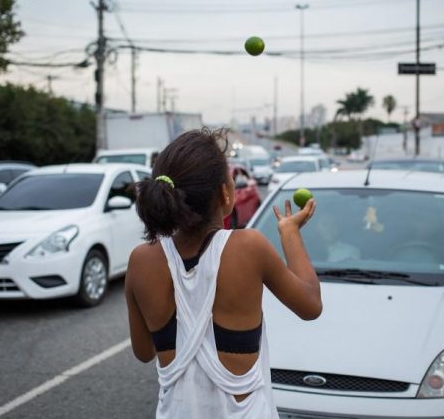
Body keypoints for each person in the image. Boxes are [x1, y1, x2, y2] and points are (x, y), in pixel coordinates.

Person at [125, 128, 321, 418]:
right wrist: (290, 233)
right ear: (225, 193)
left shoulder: (141, 260)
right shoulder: (249, 247)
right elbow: (310, 305)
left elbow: (143, 352)